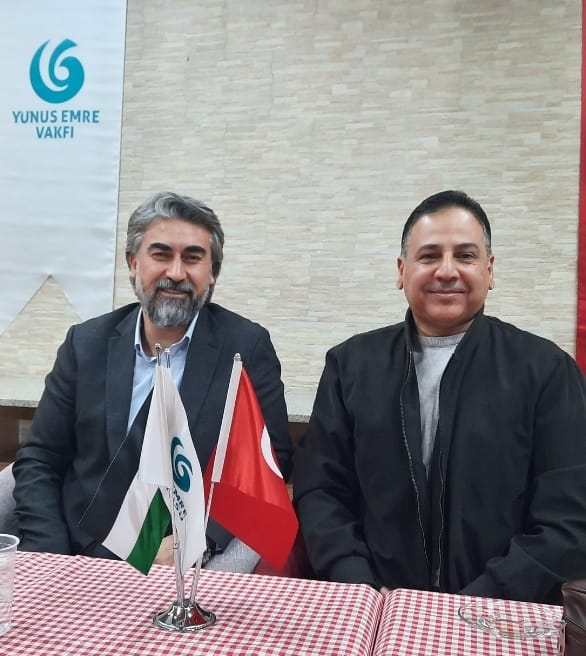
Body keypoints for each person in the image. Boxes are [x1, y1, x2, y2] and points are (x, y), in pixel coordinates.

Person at [293, 189, 586, 603]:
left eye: (465, 256)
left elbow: (569, 518)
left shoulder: (547, 370)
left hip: (501, 612)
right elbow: (321, 490)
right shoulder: (350, 365)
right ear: (401, 271)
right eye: (429, 256)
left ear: (489, 270)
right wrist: (359, 582)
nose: (447, 271)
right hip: (371, 605)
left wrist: (481, 598)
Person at [13, 191, 292, 567]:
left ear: (212, 272)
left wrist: (194, 540)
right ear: (133, 263)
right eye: (161, 255)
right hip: (80, 544)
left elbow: (271, 464)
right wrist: (52, 558)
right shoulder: (86, 344)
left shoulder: (245, 347)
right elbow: (41, 459)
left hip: (175, 558)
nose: (176, 273)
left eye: (192, 258)